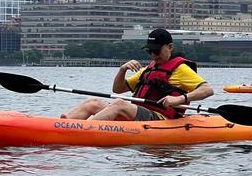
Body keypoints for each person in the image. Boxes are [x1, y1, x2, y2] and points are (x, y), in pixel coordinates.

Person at [60, 28, 214, 121]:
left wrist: (179, 99)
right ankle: (63, 124)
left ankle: (83, 130)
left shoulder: (180, 69)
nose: (153, 55)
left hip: (161, 118)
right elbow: (118, 89)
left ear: (170, 47)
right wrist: (122, 70)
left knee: (119, 103)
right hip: (139, 114)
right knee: (91, 102)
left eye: (157, 50)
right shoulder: (148, 69)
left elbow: (207, 90)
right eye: (150, 51)